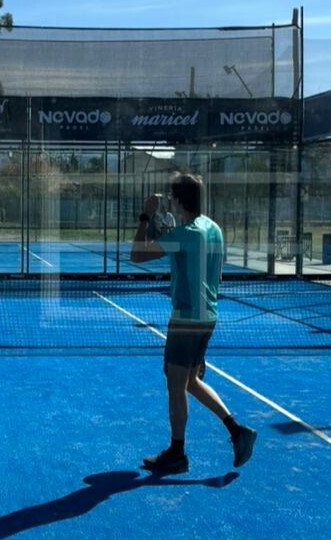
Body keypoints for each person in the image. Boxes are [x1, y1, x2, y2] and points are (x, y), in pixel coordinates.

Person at [130, 172, 256, 473]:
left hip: (186, 319)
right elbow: (216, 272)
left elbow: (137, 254)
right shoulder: (213, 229)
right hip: (208, 316)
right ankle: (237, 431)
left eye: (171, 197)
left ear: (178, 200)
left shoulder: (185, 233)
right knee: (190, 381)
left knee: (176, 386)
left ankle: (177, 453)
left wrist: (145, 216)